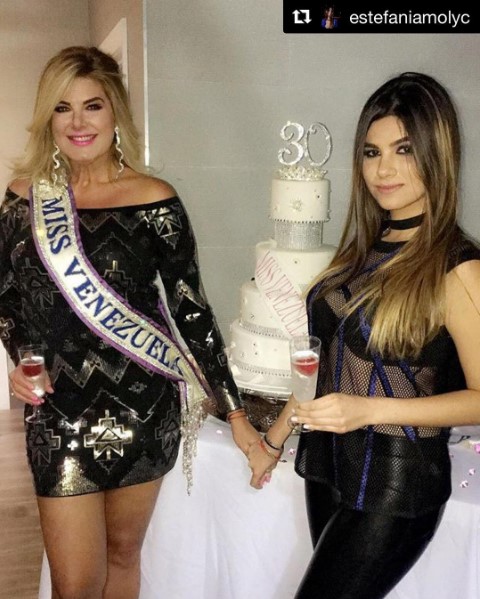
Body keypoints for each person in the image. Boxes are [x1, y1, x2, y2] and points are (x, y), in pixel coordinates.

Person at [0, 46, 259, 599]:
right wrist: (20, 360)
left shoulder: (155, 200)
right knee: (74, 585)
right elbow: (7, 296)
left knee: (122, 557)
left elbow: (191, 310)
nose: (77, 122)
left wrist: (235, 412)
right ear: (48, 117)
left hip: (144, 406)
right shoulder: (23, 200)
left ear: (115, 110)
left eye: (92, 105)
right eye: (62, 107)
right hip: (59, 412)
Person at [247, 72, 480, 599]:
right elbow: (323, 367)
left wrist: (369, 410)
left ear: (438, 153)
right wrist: (273, 439)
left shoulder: (457, 266)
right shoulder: (361, 253)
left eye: (404, 149)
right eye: (372, 153)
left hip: (399, 478)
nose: (384, 169)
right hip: (328, 464)